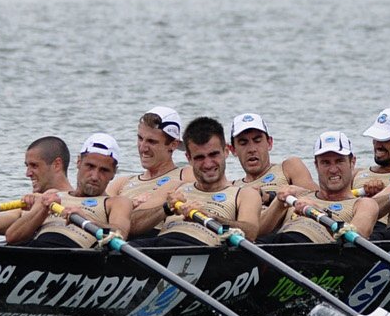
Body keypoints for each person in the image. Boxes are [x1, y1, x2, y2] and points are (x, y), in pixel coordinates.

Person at [130, 117, 261, 248]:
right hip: (160, 246)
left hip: (200, 248)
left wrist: (210, 216)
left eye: (213, 154)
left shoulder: (244, 194)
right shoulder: (175, 186)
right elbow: (132, 224)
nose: (208, 164)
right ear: (189, 158)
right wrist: (166, 208)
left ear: (226, 151)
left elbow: (250, 232)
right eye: (199, 157)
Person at [6, 133, 134, 248]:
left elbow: (120, 232)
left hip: (71, 255)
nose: (94, 176)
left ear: (113, 173)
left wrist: (86, 220)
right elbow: (12, 237)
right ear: (78, 162)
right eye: (90, 166)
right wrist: (42, 209)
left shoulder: (117, 202)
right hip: (35, 249)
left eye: (104, 170)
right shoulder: (52, 195)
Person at [258, 131, 364, 244]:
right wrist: (277, 203)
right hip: (277, 245)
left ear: (352, 162)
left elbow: (357, 240)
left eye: (339, 161)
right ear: (316, 166)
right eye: (325, 163)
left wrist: (319, 212)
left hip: (319, 253)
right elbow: (257, 232)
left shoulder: (363, 204)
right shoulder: (298, 195)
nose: (333, 170)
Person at [106, 106, 190, 236]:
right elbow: (97, 211)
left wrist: (121, 209)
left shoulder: (185, 175)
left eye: (151, 141)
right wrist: (130, 206)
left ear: (173, 144)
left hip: (153, 240)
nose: (143, 148)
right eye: (140, 138)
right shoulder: (122, 182)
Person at [0, 136, 71, 235]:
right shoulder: (27, 207)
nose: (28, 174)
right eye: (27, 166)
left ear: (57, 164)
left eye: (34, 166)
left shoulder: (81, 203)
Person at [229, 112, 318, 197]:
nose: (252, 149)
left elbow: (317, 199)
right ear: (233, 150)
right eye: (243, 143)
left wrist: (269, 197)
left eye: (257, 141)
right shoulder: (232, 188)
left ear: (269, 143)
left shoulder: (289, 168)